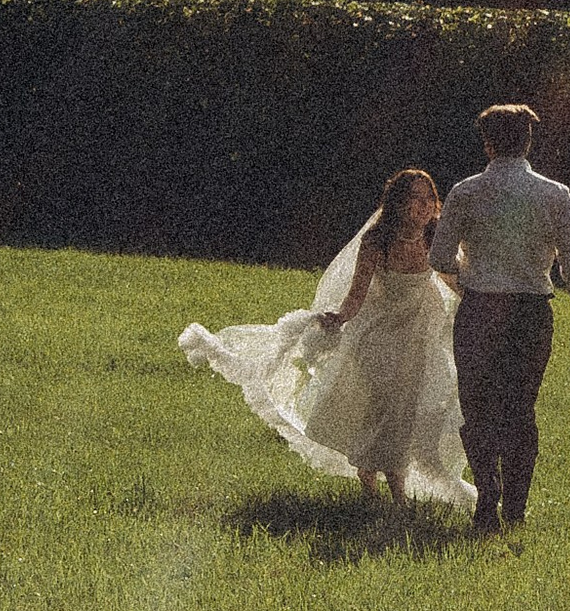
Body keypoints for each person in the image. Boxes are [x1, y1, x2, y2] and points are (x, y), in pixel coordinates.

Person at [178, 165, 473, 510]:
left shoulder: (433, 237)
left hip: (420, 335)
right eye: (414, 199)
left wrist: (482, 300)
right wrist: (337, 318)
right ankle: (382, 487)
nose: (423, 206)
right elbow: (356, 295)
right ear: (398, 203)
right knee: (384, 408)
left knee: (408, 411)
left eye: (428, 199)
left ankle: (389, 487)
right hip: (380, 336)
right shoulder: (377, 241)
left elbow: (451, 279)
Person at [430, 102, 570, 535]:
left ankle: (487, 497)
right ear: (528, 141)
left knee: (479, 409)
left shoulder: (464, 192)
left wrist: (471, 273)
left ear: (487, 144)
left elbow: (439, 256)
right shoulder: (555, 195)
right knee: (520, 410)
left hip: (480, 310)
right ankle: (516, 509)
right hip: (530, 313)